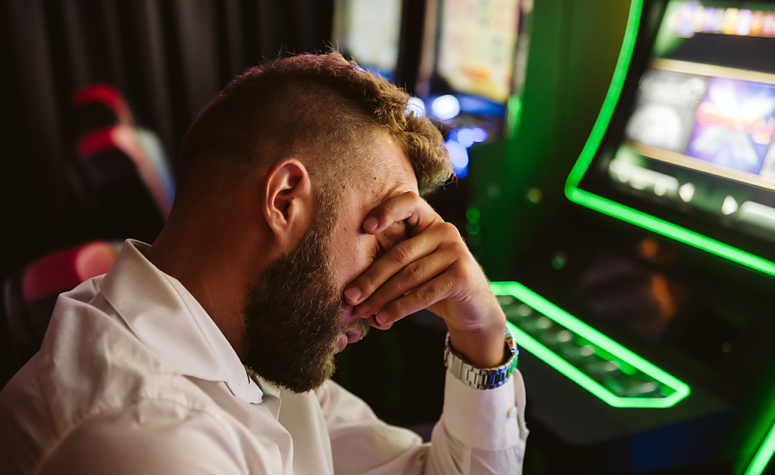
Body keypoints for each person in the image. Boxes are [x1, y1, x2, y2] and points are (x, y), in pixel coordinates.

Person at [0, 52, 528, 474]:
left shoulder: (242, 337)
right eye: (380, 239)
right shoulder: (146, 437)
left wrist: (481, 332)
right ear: (283, 202)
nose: (382, 301)